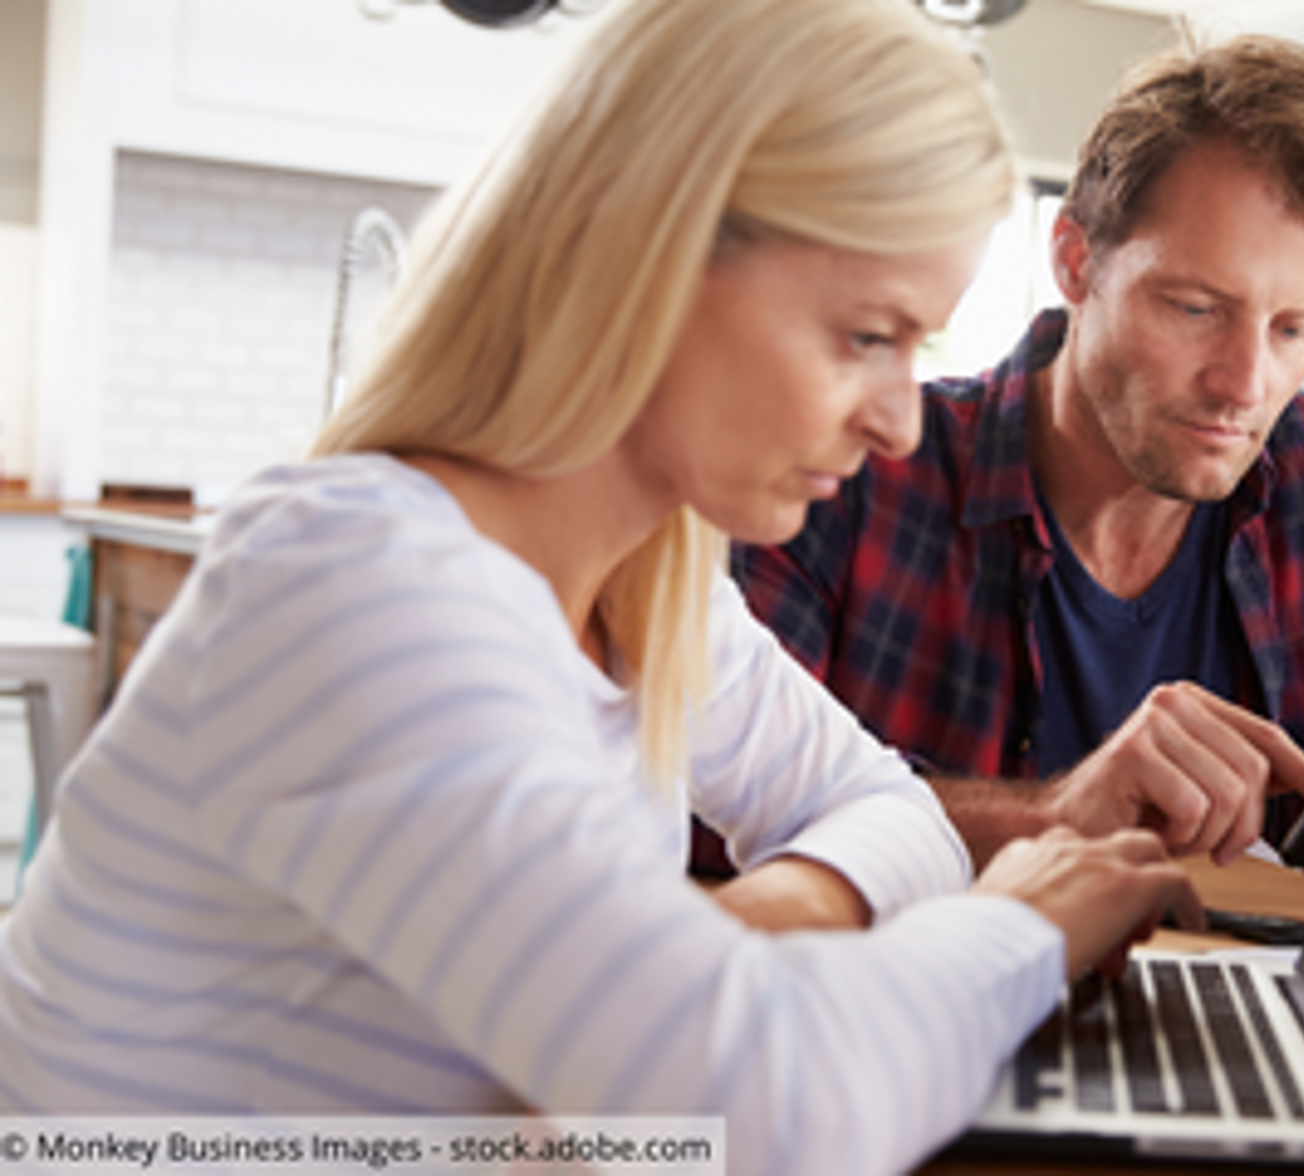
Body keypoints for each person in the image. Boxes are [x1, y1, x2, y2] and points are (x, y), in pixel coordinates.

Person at [0, 2, 1202, 1172]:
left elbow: (885, 806)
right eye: (863, 336)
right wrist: (1025, 929)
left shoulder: (651, 590)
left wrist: (752, 936)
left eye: (917, 350)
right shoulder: (362, 590)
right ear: (653, 260)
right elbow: (756, 1114)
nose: (898, 425)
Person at [737, 34, 1304, 872]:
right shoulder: (856, 471)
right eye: (1194, 309)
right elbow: (706, 807)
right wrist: (1057, 814)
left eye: (1294, 329)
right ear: (1075, 261)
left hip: (1255, 989)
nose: (1245, 384)